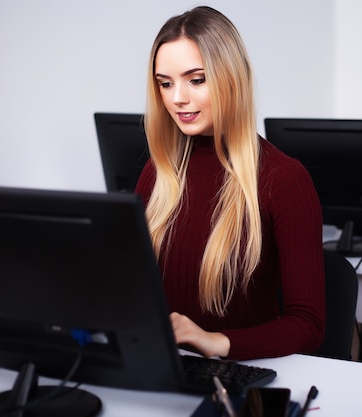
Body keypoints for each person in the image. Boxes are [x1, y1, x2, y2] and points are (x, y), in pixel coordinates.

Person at [135, 6, 326, 361]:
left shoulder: (283, 179)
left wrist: (217, 342)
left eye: (196, 79)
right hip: (162, 367)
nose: (177, 97)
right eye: (165, 83)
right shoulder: (157, 173)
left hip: (234, 379)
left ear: (231, 78)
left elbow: (308, 324)